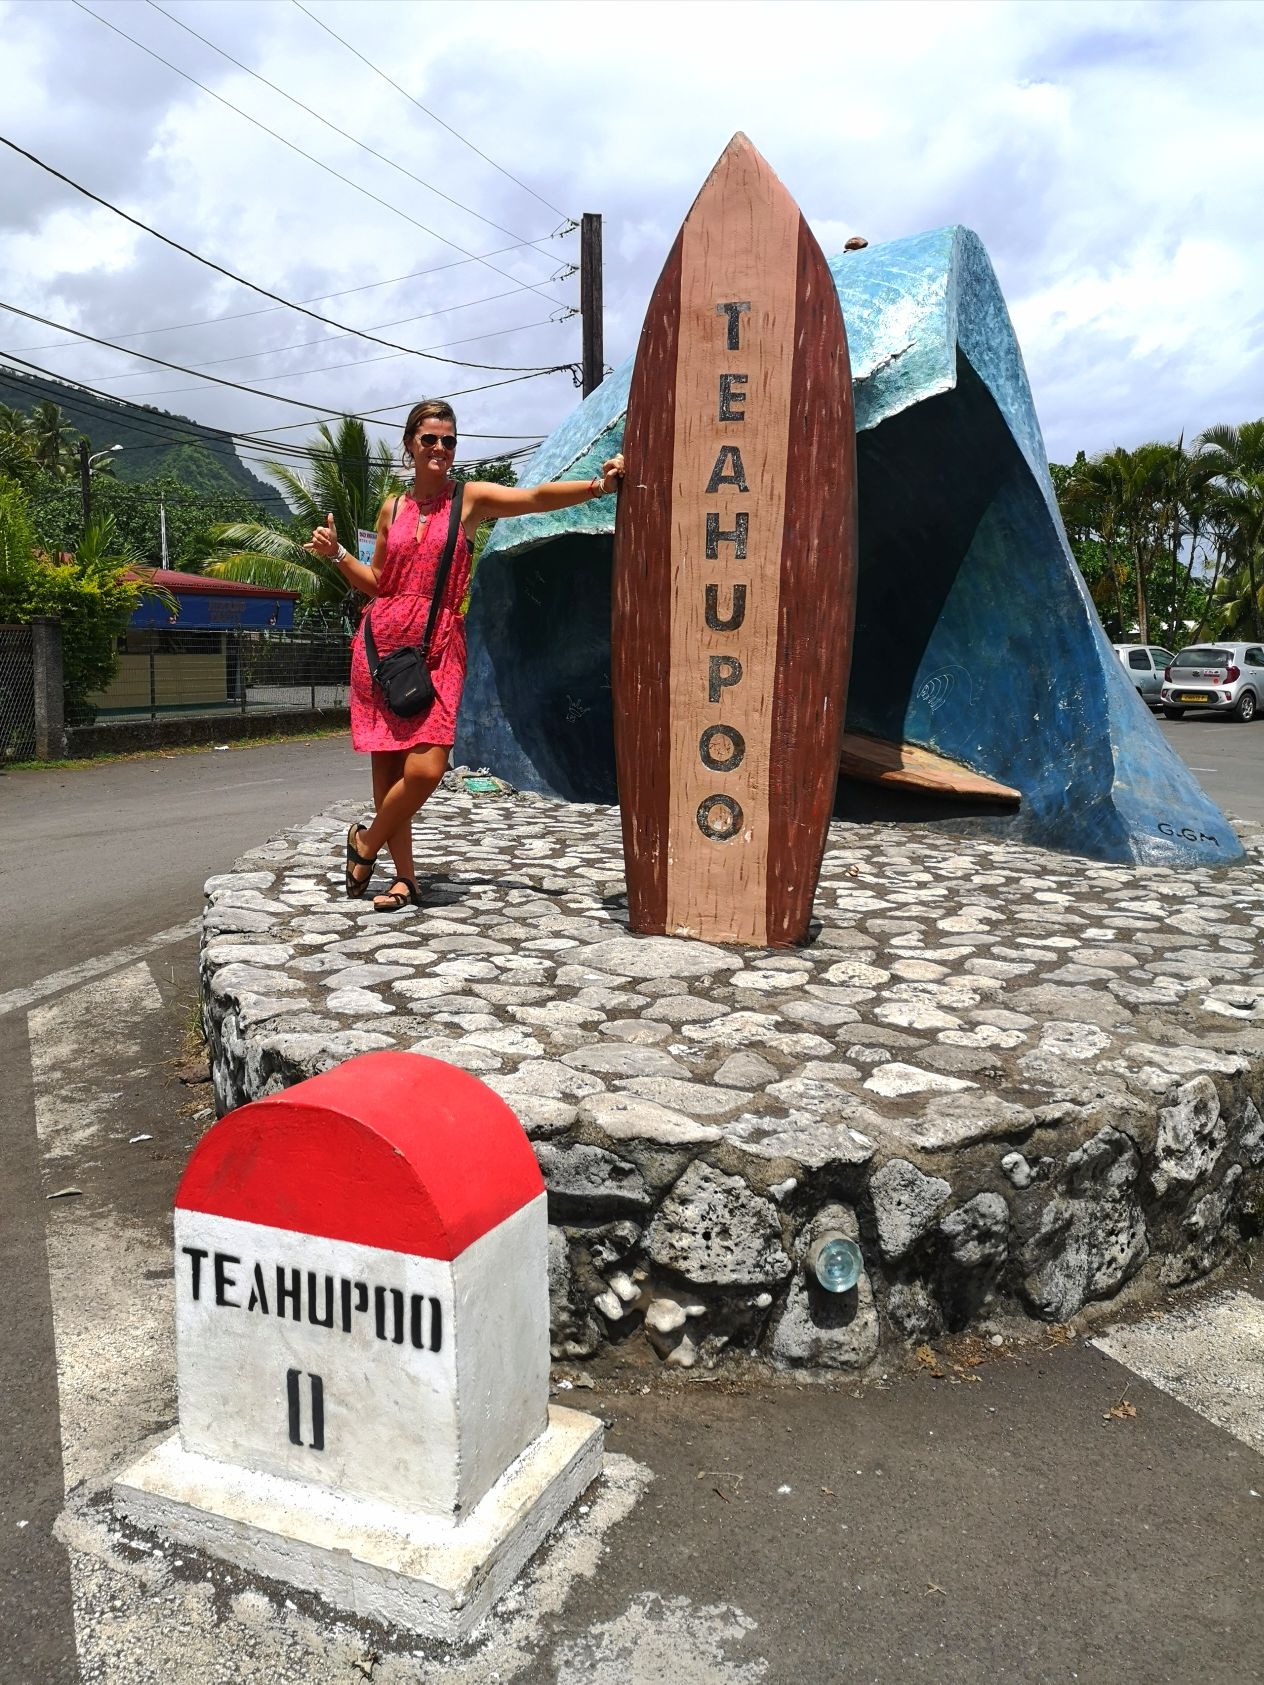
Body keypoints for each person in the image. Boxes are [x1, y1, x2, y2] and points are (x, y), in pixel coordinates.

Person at [304, 398, 624, 912]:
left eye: (448, 440)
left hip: (437, 647)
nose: (438, 448)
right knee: (389, 772)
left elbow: (536, 496)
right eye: (429, 438)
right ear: (410, 444)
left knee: (427, 770)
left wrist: (597, 487)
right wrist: (338, 555)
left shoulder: (468, 500)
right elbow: (379, 584)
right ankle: (403, 879)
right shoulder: (391, 508)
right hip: (383, 646)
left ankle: (363, 844)